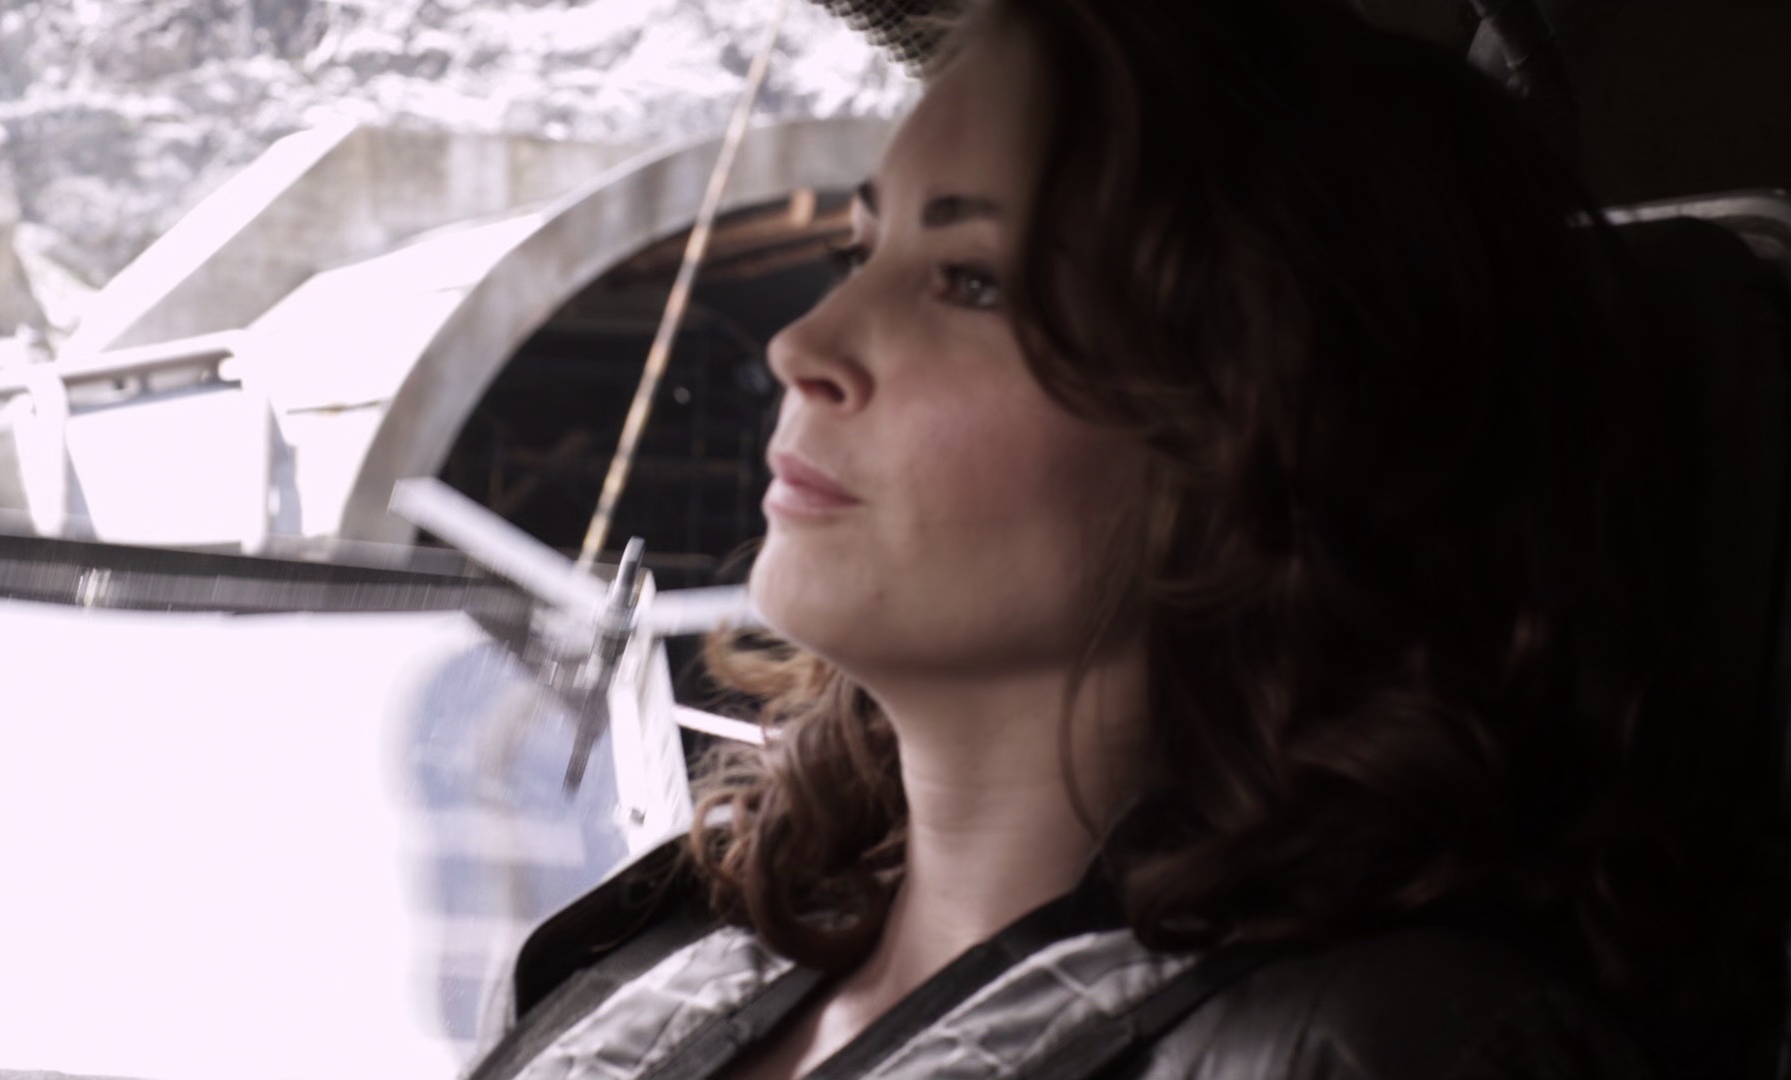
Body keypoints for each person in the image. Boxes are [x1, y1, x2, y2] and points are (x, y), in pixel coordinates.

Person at [467, 1, 1778, 1077]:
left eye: (971, 283)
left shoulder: (1380, 1053)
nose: (802, 345)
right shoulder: (649, 953)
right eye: (860, 253)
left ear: (1273, 430)